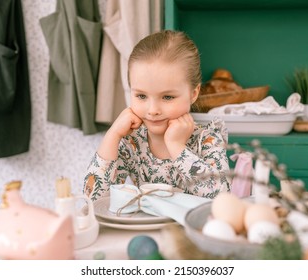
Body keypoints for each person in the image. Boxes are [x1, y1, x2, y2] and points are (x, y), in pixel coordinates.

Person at [83, 30, 230, 201]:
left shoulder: (207, 139)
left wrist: (176, 146)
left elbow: (221, 198)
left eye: (167, 97)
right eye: (141, 96)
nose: (153, 110)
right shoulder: (132, 142)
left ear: (193, 93)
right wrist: (113, 134)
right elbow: (94, 198)